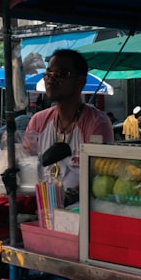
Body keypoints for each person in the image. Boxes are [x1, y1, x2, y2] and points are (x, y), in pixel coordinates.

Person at [27, 48, 114, 191]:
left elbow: (98, 175)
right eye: (48, 74)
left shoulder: (97, 123)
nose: (51, 79)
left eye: (61, 74)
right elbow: (28, 165)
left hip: (80, 209)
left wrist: (68, 197)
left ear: (80, 81)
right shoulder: (38, 121)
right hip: (42, 206)